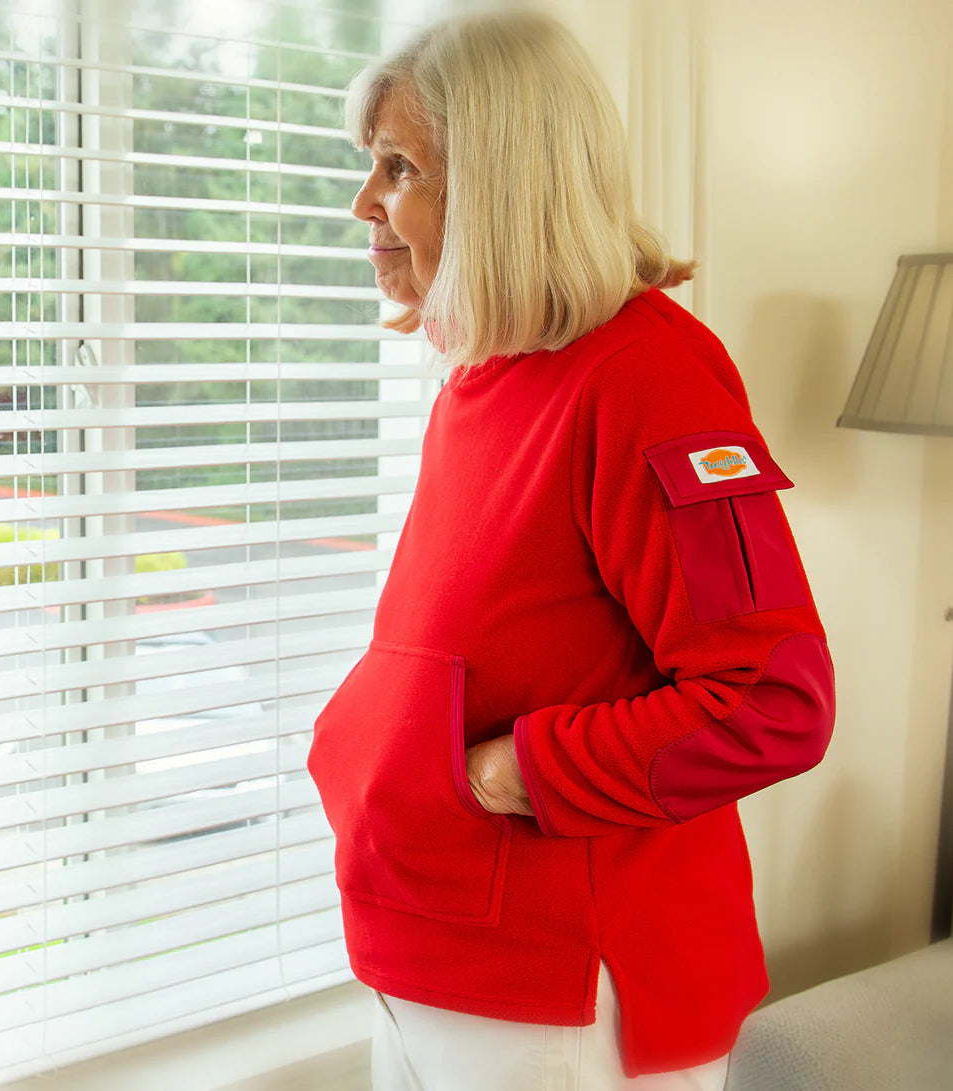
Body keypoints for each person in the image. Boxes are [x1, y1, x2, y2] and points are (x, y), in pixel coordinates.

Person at [306, 11, 835, 1091]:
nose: (364, 204)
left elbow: (770, 700)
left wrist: (512, 774)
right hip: (428, 951)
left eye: (396, 167)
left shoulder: (645, 379)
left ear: (501, 181)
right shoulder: (484, 374)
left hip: (556, 988)